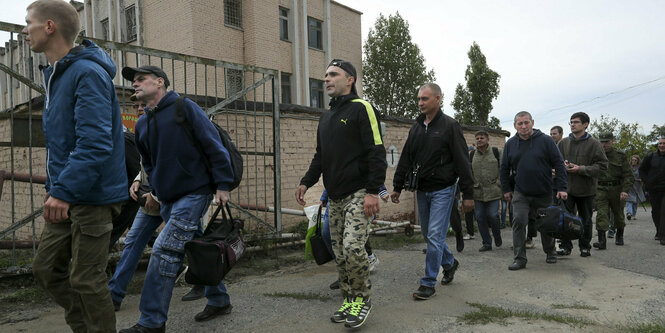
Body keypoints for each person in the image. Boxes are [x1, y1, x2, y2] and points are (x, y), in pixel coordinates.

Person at [24, 1, 128, 332]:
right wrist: (58, 190)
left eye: (30, 23)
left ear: (50, 26)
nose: (25, 30)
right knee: (46, 268)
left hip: (92, 197)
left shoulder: (87, 73)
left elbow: (95, 144)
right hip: (67, 193)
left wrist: (63, 192)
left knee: (86, 278)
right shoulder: (58, 76)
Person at [119, 65, 235, 333]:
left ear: (159, 82)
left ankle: (151, 322)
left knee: (164, 250)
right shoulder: (143, 122)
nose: (135, 84)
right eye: (133, 81)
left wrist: (223, 184)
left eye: (141, 79)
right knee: (196, 249)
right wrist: (156, 193)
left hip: (195, 193)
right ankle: (219, 300)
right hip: (167, 198)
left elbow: (213, 146)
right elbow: (150, 164)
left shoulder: (185, 107)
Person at [296, 59, 386, 328]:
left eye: (333, 74)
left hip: (359, 193)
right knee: (340, 251)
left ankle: (362, 300)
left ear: (350, 80)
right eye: (325, 75)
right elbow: (320, 156)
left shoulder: (362, 108)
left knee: (353, 246)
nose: (327, 79)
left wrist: (373, 192)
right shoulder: (326, 118)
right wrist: (306, 182)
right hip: (334, 196)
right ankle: (349, 300)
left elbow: (376, 151)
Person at [391, 83, 474, 300]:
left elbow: (463, 161)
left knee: (435, 235)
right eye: (419, 99)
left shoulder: (450, 126)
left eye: (424, 99)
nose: (420, 103)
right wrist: (397, 186)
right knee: (428, 234)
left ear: (437, 99)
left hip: (444, 190)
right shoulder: (417, 127)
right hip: (422, 189)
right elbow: (407, 157)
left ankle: (428, 283)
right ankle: (449, 263)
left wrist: (468, 193)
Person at [108, 98, 165, 312]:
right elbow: (146, 163)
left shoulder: (167, 126)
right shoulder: (142, 129)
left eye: (144, 104)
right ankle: (114, 295)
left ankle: (216, 294)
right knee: (132, 243)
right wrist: (138, 179)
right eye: (137, 106)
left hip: (173, 199)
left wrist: (156, 195)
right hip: (148, 199)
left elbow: (171, 162)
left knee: (191, 244)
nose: (139, 109)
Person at [500, 111, 568, 270]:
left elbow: (559, 164)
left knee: (546, 224)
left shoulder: (545, 141)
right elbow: (503, 168)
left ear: (532, 122)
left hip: (544, 192)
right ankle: (520, 259)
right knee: (518, 221)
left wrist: (562, 188)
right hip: (521, 192)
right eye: (519, 124)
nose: (523, 126)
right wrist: (506, 189)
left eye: (526, 123)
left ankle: (550, 251)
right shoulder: (510, 144)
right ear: (515, 125)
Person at [557, 112, 608, 257]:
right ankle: (565, 246)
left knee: (585, 220)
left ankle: (585, 246)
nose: (572, 124)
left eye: (576, 122)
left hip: (586, 190)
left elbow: (603, 166)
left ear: (585, 124)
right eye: (571, 122)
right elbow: (556, 162)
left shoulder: (595, 144)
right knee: (565, 219)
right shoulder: (563, 143)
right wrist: (561, 166)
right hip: (567, 189)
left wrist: (581, 169)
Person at [321, 187, 388, 290]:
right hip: (335, 199)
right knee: (327, 234)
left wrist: (380, 190)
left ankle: (355, 281)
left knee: (352, 242)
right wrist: (324, 196)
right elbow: (332, 172)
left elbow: (374, 170)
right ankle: (346, 272)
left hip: (357, 197)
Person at [592, 132, 633, 248]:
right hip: (600, 188)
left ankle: (619, 235)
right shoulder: (595, 156)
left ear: (612, 141)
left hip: (617, 189)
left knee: (618, 214)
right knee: (601, 214)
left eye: (607, 142)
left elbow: (628, 175)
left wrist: (625, 190)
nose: (604, 144)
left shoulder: (620, 156)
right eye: (602, 142)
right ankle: (601, 241)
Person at [469, 131, 503, 251]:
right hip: (478, 192)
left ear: (488, 140)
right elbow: (469, 172)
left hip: (494, 190)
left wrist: (499, 183)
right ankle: (487, 243)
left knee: (493, 215)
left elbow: (504, 168)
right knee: (479, 217)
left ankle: (497, 235)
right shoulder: (472, 154)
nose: (479, 140)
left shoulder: (496, 152)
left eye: (482, 138)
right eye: (477, 138)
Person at [639, 137, 665, 245]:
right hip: (654, 189)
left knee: (664, 211)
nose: (662, 145)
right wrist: (647, 181)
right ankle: (659, 231)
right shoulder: (650, 156)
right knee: (656, 211)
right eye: (660, 143)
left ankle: (663, 235)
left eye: (664, 143)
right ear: (657, 145)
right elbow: (642, 170)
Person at [625, 155, 646, 221]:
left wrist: (641, 179)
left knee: (636, 202)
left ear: (638, 161)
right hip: (630, 186)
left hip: (637, 186)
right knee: (629, 200)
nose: (633, 161)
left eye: (635, 160)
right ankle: (629, 213)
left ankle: (633, 215)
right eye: (632, 160)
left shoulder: (640, 168)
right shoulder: (628, 167)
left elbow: (644, 176)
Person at [463, 145, 476, 240]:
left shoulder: (476, 162)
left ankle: (485, 230)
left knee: (480, 213)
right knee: (468, 212)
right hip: (467, 190)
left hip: (478, 189)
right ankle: (470, 232)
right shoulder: (464, 162)